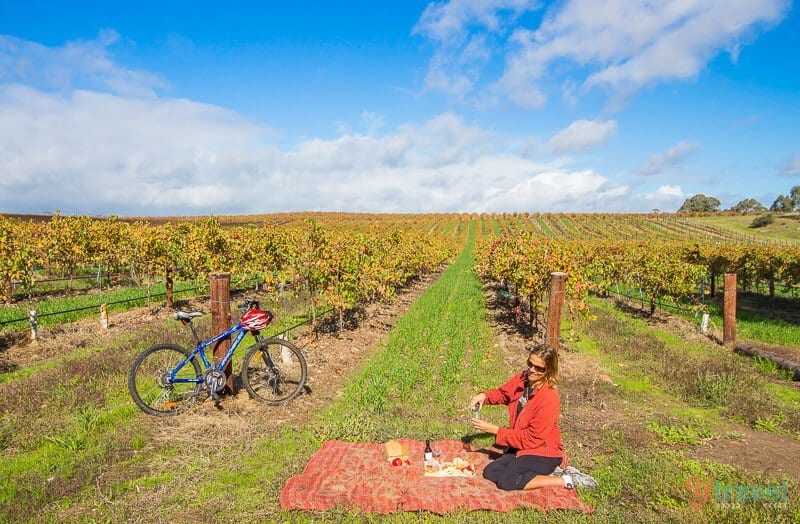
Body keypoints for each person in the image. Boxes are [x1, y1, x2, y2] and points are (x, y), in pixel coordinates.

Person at [470, 343, 576, 491]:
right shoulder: (522, 379)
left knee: (507, 481)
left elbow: (532, 440)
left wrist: (496, 430)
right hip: (521, 448)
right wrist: (485, 396)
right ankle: (529, 474)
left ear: (549, 371)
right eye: (530, 364)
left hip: (543, 451)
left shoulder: (549, 398)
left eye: (539, 368)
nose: (532, 370)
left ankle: (563, 480)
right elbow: (503, 393)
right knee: (491, 471)